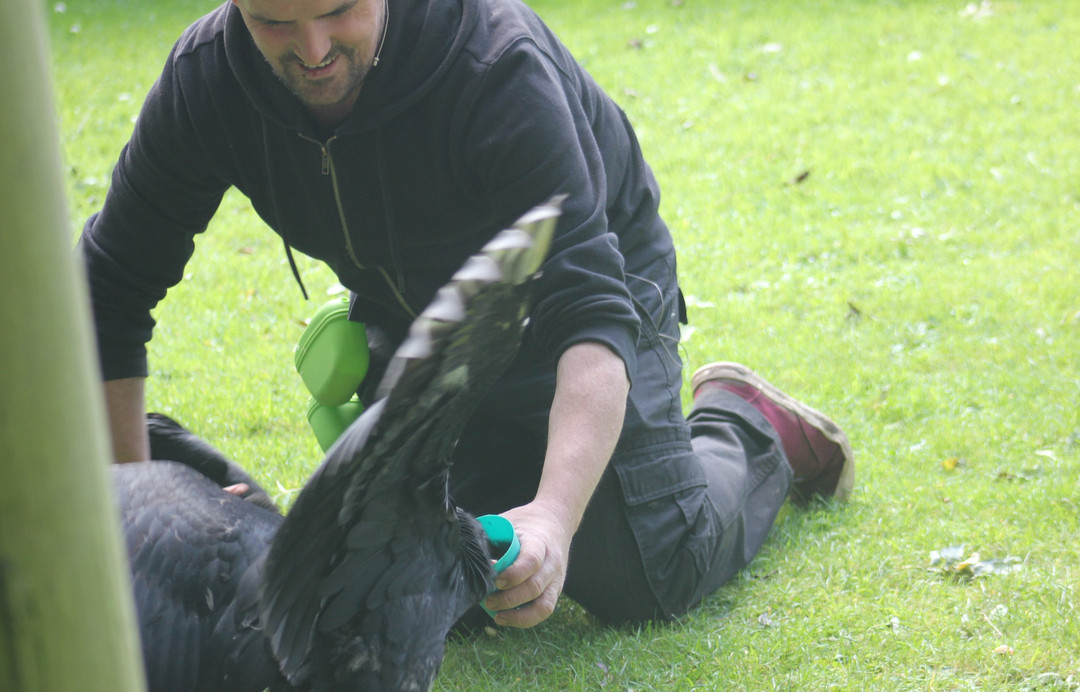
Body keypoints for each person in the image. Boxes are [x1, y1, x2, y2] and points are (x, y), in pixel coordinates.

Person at [82, 0, 855, 630]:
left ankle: (748, 423)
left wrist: (553, 520)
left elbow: (589, 306)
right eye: (274, 24)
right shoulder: (208, 78)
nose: (311, 49)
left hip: (600, 290)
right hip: (429, 319)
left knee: (649, 574)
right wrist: (135, 510)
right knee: (408, 596)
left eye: (339, 11)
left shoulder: (492, 64)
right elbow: (109, 288)